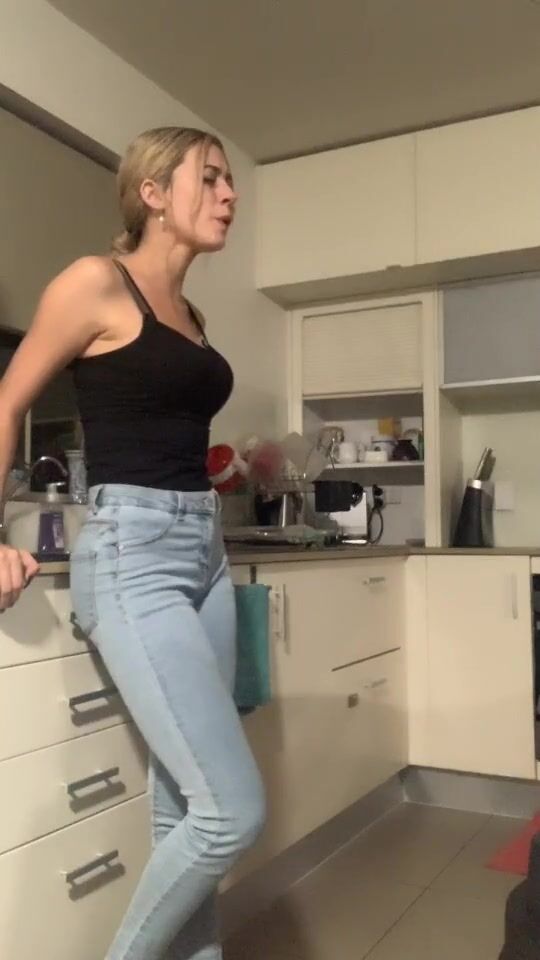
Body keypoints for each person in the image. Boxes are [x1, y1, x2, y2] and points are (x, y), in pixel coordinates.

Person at [0, 126, 266, 960]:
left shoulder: (191, 314)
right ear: (151, 191)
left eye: (229, 181)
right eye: (211, 177)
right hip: (133, 554)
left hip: (204, 553)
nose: (230, 194)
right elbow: (7, 402)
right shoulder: (95, 282)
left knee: (186, 810)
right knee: (232, 812)